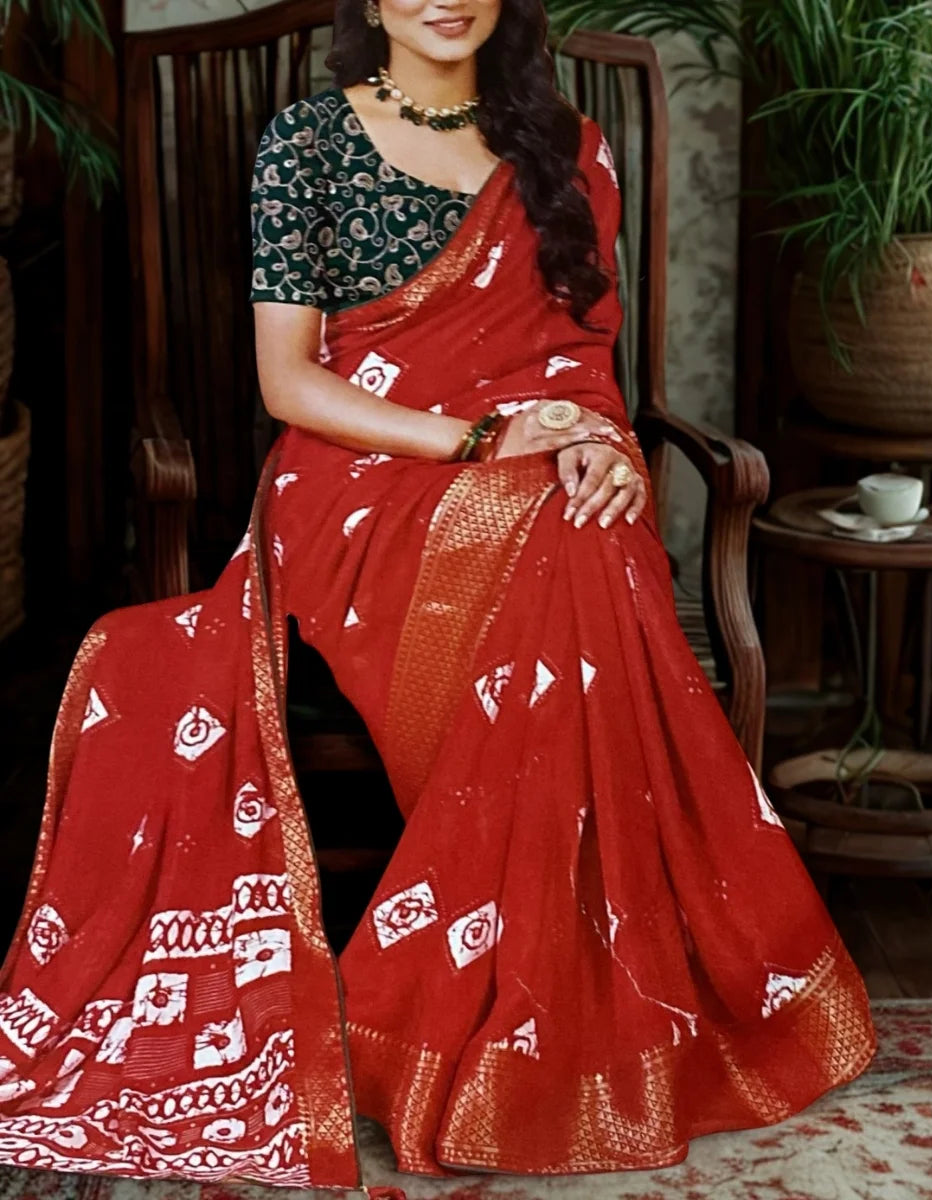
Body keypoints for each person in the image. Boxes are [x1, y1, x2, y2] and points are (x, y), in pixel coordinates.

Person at [0, 0, 877, 1191]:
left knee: (583, 526)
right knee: (557, 542)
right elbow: (287, 382)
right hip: (359, 481)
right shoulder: (306, 141)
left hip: (534, 474)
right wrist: (482, 438)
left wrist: (587, 443)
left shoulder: (562, 146)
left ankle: (510, 1015)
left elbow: (577, 362)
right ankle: (534, 1020)